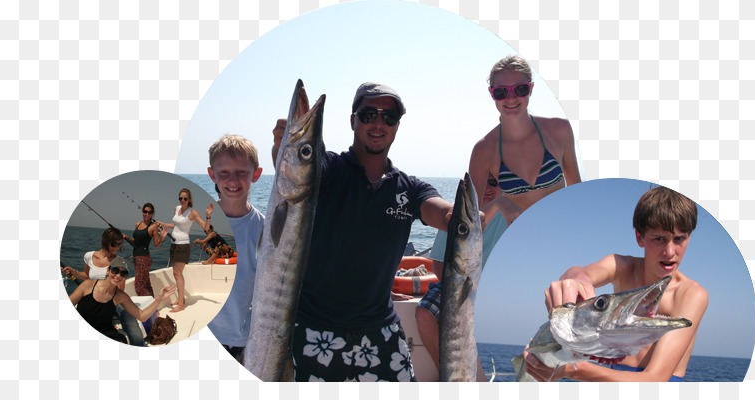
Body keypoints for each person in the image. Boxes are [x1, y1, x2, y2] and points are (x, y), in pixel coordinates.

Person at [271, 82, 454, 382]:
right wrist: (282, 148)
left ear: (397, 126)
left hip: (381, 332)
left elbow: (443, 213)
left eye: (389, 117)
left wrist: (468, 213)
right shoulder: (327, 169)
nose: (378, 123)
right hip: (314, 330)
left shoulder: (409, 188)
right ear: (352, 120)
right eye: (368, 114)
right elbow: (296, 170)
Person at [524, 186, 709, 382]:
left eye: (680, 239)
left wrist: (572, 370)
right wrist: (576, 280)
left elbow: (656, 379)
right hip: (607, 375)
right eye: (659, 239)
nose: (670, 251)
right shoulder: (622, 266)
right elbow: (582, 272)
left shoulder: (692, 294)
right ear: (640, 238)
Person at [414, 172, 521, 381]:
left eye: (495, 182)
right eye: (484, 182)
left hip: (497, 290)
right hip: (458, 284)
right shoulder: (455, 218)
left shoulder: (511, 215)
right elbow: (438, 266)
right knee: (424, 312)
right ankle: (446, 374)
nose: (488, 188)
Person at [468, 54, 582, 213]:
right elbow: (471, 222)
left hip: (566, 234)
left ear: (531, 88)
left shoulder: (560, 130)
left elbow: (578, 194)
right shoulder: (483, 150)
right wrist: (499, 204)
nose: (511, 98)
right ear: (491, 93)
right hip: (521, 237)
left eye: (520, 89)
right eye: (501, 92)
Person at [205, 135, 265, 362]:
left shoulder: (264, 229)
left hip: (242, 340)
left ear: (256, 175)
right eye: (224, 173)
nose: (233, 180)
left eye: (242, 172)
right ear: (212, 174)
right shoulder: (198, 221)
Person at [68, 263, 176, 344]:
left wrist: (159, 299)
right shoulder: (87, 285)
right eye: (115, 270)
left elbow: (142, 316)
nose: (118, 275)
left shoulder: (121, 296)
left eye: (123, 273)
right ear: (108, 271)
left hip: (105, 332)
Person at [157, 188, 211, 313]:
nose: (182, 200)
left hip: (182, 246)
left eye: (185, 198)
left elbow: (206, 228)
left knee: (178, 274)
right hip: (174, 244)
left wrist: (208, 215)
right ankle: (182, 300)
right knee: (176, 274)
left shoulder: (192, 213)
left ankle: (181, 304)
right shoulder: (176, 209)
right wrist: (164, 223)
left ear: (189, 199)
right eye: (180, 198)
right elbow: (176, 225)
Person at [121, 203, 168, 297]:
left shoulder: (153, 227)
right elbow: (136, 243)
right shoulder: (137, 224)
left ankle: (152, 308)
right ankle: (155, 309)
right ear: (142, 212)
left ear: (152, 213)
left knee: (139, 287)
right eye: (145, 211)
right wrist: (126, 237)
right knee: (146, 284)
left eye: (150, 212)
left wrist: (162, 238)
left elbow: (156, 244)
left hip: (144, 259)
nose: (147, 214)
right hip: (136, 257)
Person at [62, 226, 127, 291]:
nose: (117, 248)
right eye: (114, 244)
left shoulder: (120, 262)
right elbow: (87, 276)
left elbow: (120, 290)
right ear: (105, 241)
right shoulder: (89, 256)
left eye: (119, 244)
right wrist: (74, 272)